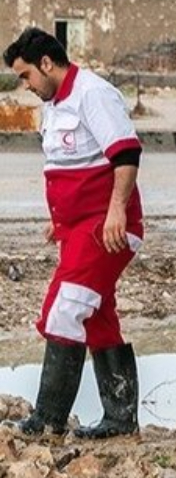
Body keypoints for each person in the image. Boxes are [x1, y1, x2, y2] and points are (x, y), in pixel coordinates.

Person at [3, 27, 144, 438]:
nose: (25, 85)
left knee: (66, 308)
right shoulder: (55, 102)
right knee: (96, 318)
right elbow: (73, 164)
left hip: (107, 228)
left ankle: (48, 420)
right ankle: (120, 420)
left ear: (47, 64)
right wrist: (60, 219)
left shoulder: (92, 94)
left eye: (26, 75)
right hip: (78, 229)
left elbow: (126, 152)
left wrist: (117, 209)